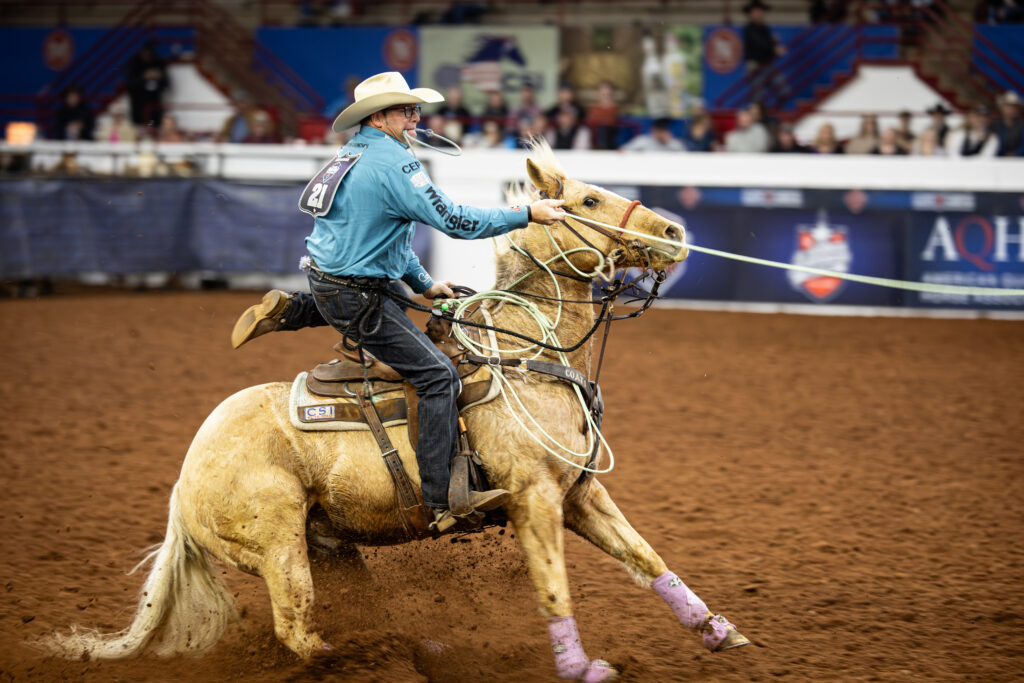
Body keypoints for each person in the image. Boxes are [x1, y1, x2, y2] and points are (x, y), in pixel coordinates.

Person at [229, 72, 566, 529]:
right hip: (358, 295)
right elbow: (455, 220)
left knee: (398, 300)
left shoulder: (352, 153)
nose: (415, 117)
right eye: (406, 110)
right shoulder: (396, 164)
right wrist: (526, 212)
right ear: (378, 117)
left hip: (336, 282)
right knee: (438, 376)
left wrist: (423, 283)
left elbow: (386, 233)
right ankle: (442, 500)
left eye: (414, 109)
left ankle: (295, 309)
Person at [742, 0, 787, 102]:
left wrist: (773, 42)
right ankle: (758, 109)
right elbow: (759, 43)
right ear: (750, 14)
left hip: (767, 65)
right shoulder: (749, 29)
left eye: (760, 11)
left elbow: (766, 43)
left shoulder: (765, 28)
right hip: (755, 66)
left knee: (783, 90)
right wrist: (774, 49)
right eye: (755, 11)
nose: (758, 14)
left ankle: (773, 109)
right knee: (757, 95)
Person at [125, 43, 169, 129]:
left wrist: (159, 78)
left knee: (153, 127)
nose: (147, 55)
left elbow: (166, 85)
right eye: (145, 52)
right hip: (139, 108)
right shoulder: (134, 64)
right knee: (140, 130)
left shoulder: (158, 64)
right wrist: (144, 76)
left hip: (154, 110)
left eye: (149, 53)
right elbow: (129, 83)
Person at [586, 81, 620, 150]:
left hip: (611, 138)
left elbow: (611, 121)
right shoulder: (593, 108)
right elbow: (591, 121)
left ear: (611, 92)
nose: (605, 92)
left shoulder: (615, 108)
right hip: (595, 138)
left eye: (607, 89)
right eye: (602, 89)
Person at [620, 117, 686, 152]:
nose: (660, 134)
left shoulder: (674, 143)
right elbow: (623, 150)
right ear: (652, 130)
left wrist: (668, 142)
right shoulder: (643, 141)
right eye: (658, 130)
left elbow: (685, 156)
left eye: (662, 131)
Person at [993, 90, 1024, 157]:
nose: (1011, 109)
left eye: (1014, 107)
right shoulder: (996, 124)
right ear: (1002, 107)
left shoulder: (1022, 124)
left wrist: (1015, 154)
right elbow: (993, 142)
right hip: (999, 158)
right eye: (1008, 106)